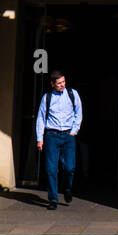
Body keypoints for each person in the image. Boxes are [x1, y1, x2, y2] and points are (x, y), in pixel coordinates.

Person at [36, 70, 83, 210]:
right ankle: (53, 199)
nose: (62, 85)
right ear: (52, 84)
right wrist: (40, 139)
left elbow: (78, 113)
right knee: (51, 169)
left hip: (68, 135)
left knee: (70, 167)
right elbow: (40, 118)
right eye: (59, 83)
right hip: (52, 135)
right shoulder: (47, 98)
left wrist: (74, 131)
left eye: (63, 82)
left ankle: (67, 189)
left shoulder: (72, 94)